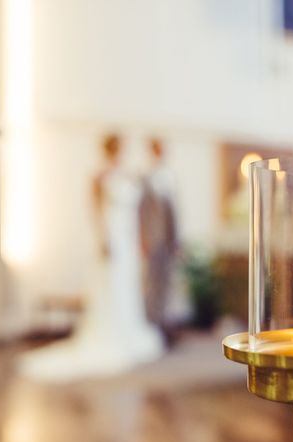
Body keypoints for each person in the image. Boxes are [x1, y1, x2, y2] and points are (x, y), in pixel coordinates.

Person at [18, 134, 164, 382]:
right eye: (116, 147)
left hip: (126, 238)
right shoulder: (99, 176)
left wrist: (139, 239)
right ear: (108, 149)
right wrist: (104, 238)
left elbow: (137, 210)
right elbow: (95, 210)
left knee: (126, 287)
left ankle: (127, 332)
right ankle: (108, 335)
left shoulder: (128, 174)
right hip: (111, 236)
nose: (119, 151)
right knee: (110, 286)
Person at [139, 138, 179, 329]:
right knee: (150, 284)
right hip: (152, 239)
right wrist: (143, 238)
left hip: (169, 239)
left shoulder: (170, 175)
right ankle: (151, 323)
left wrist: (176, 239)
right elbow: (142, 213)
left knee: (166, 282)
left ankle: (163, 323)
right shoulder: (146, 176)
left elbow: (174, 211)